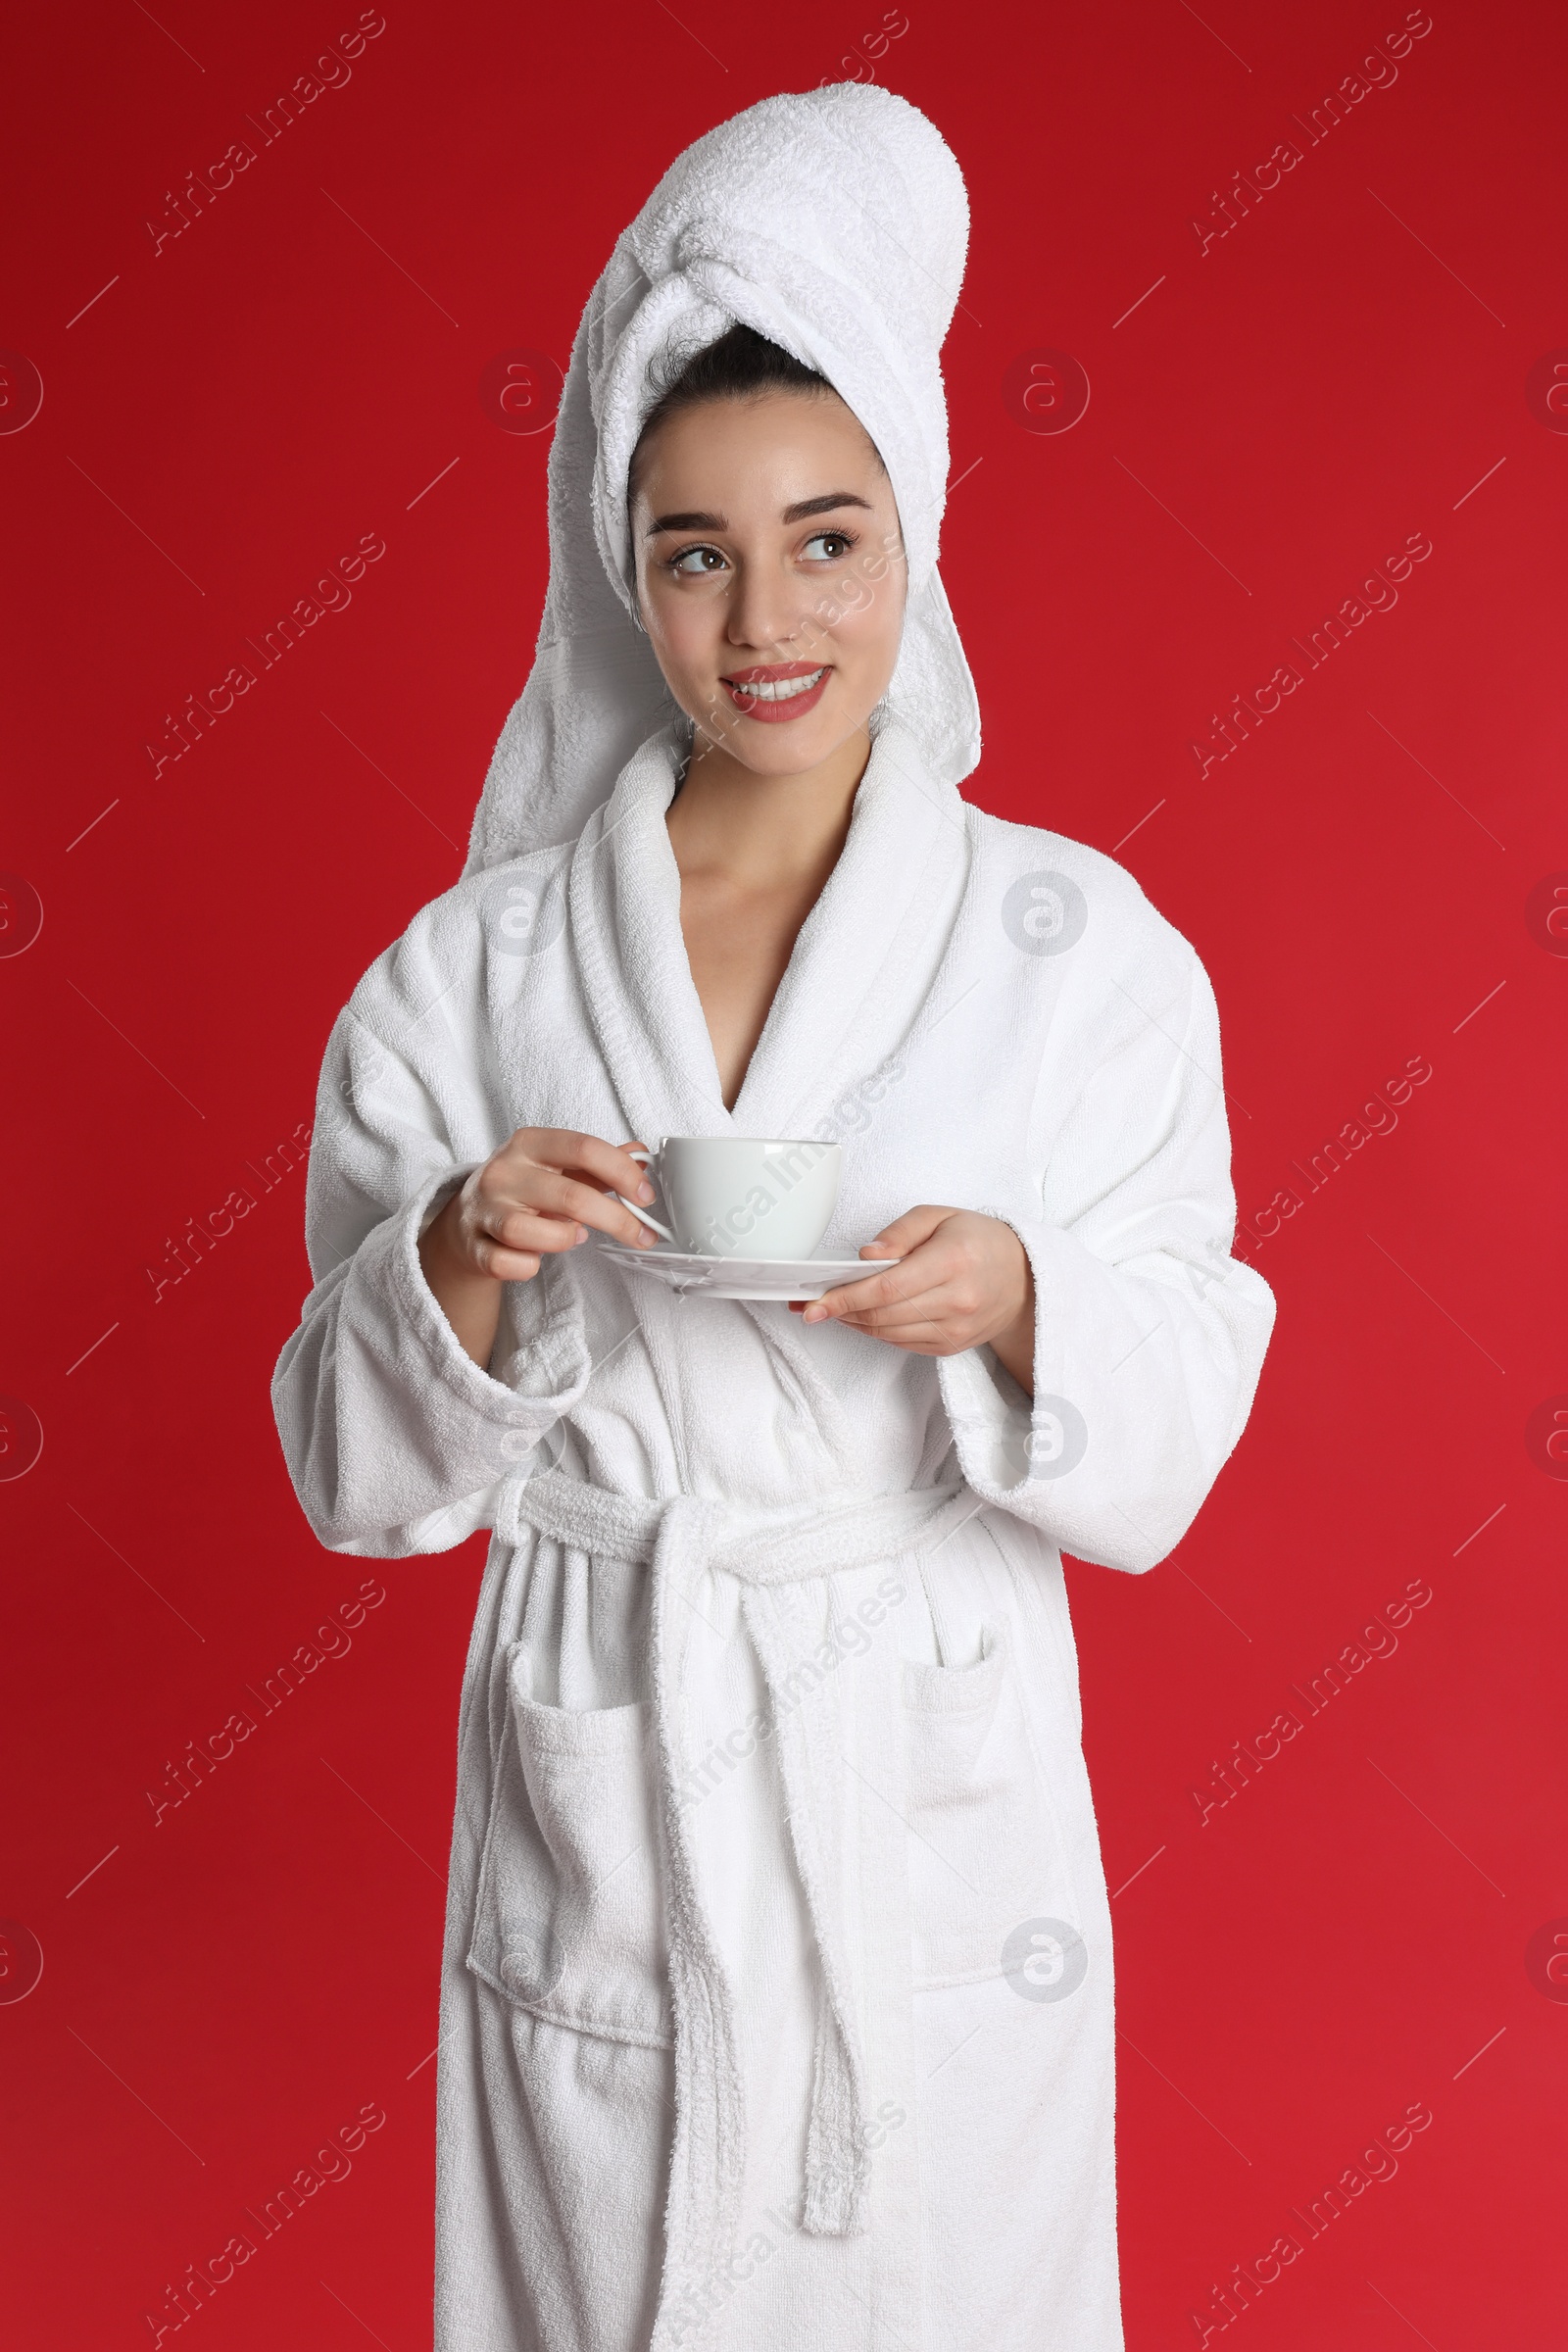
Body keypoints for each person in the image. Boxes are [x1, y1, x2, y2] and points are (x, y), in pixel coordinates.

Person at [271, 84, 1275, 2352]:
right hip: (603, 1783)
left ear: (915, 531)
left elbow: (1184, 1390)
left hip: (918, 1793)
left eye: (826, 537)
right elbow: (343, 1470)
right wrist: (450, 1260)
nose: (763, 618)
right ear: (621, 572)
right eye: (695, 549)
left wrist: (1023, 1303)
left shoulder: (1073, 943)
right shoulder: (479, 971)